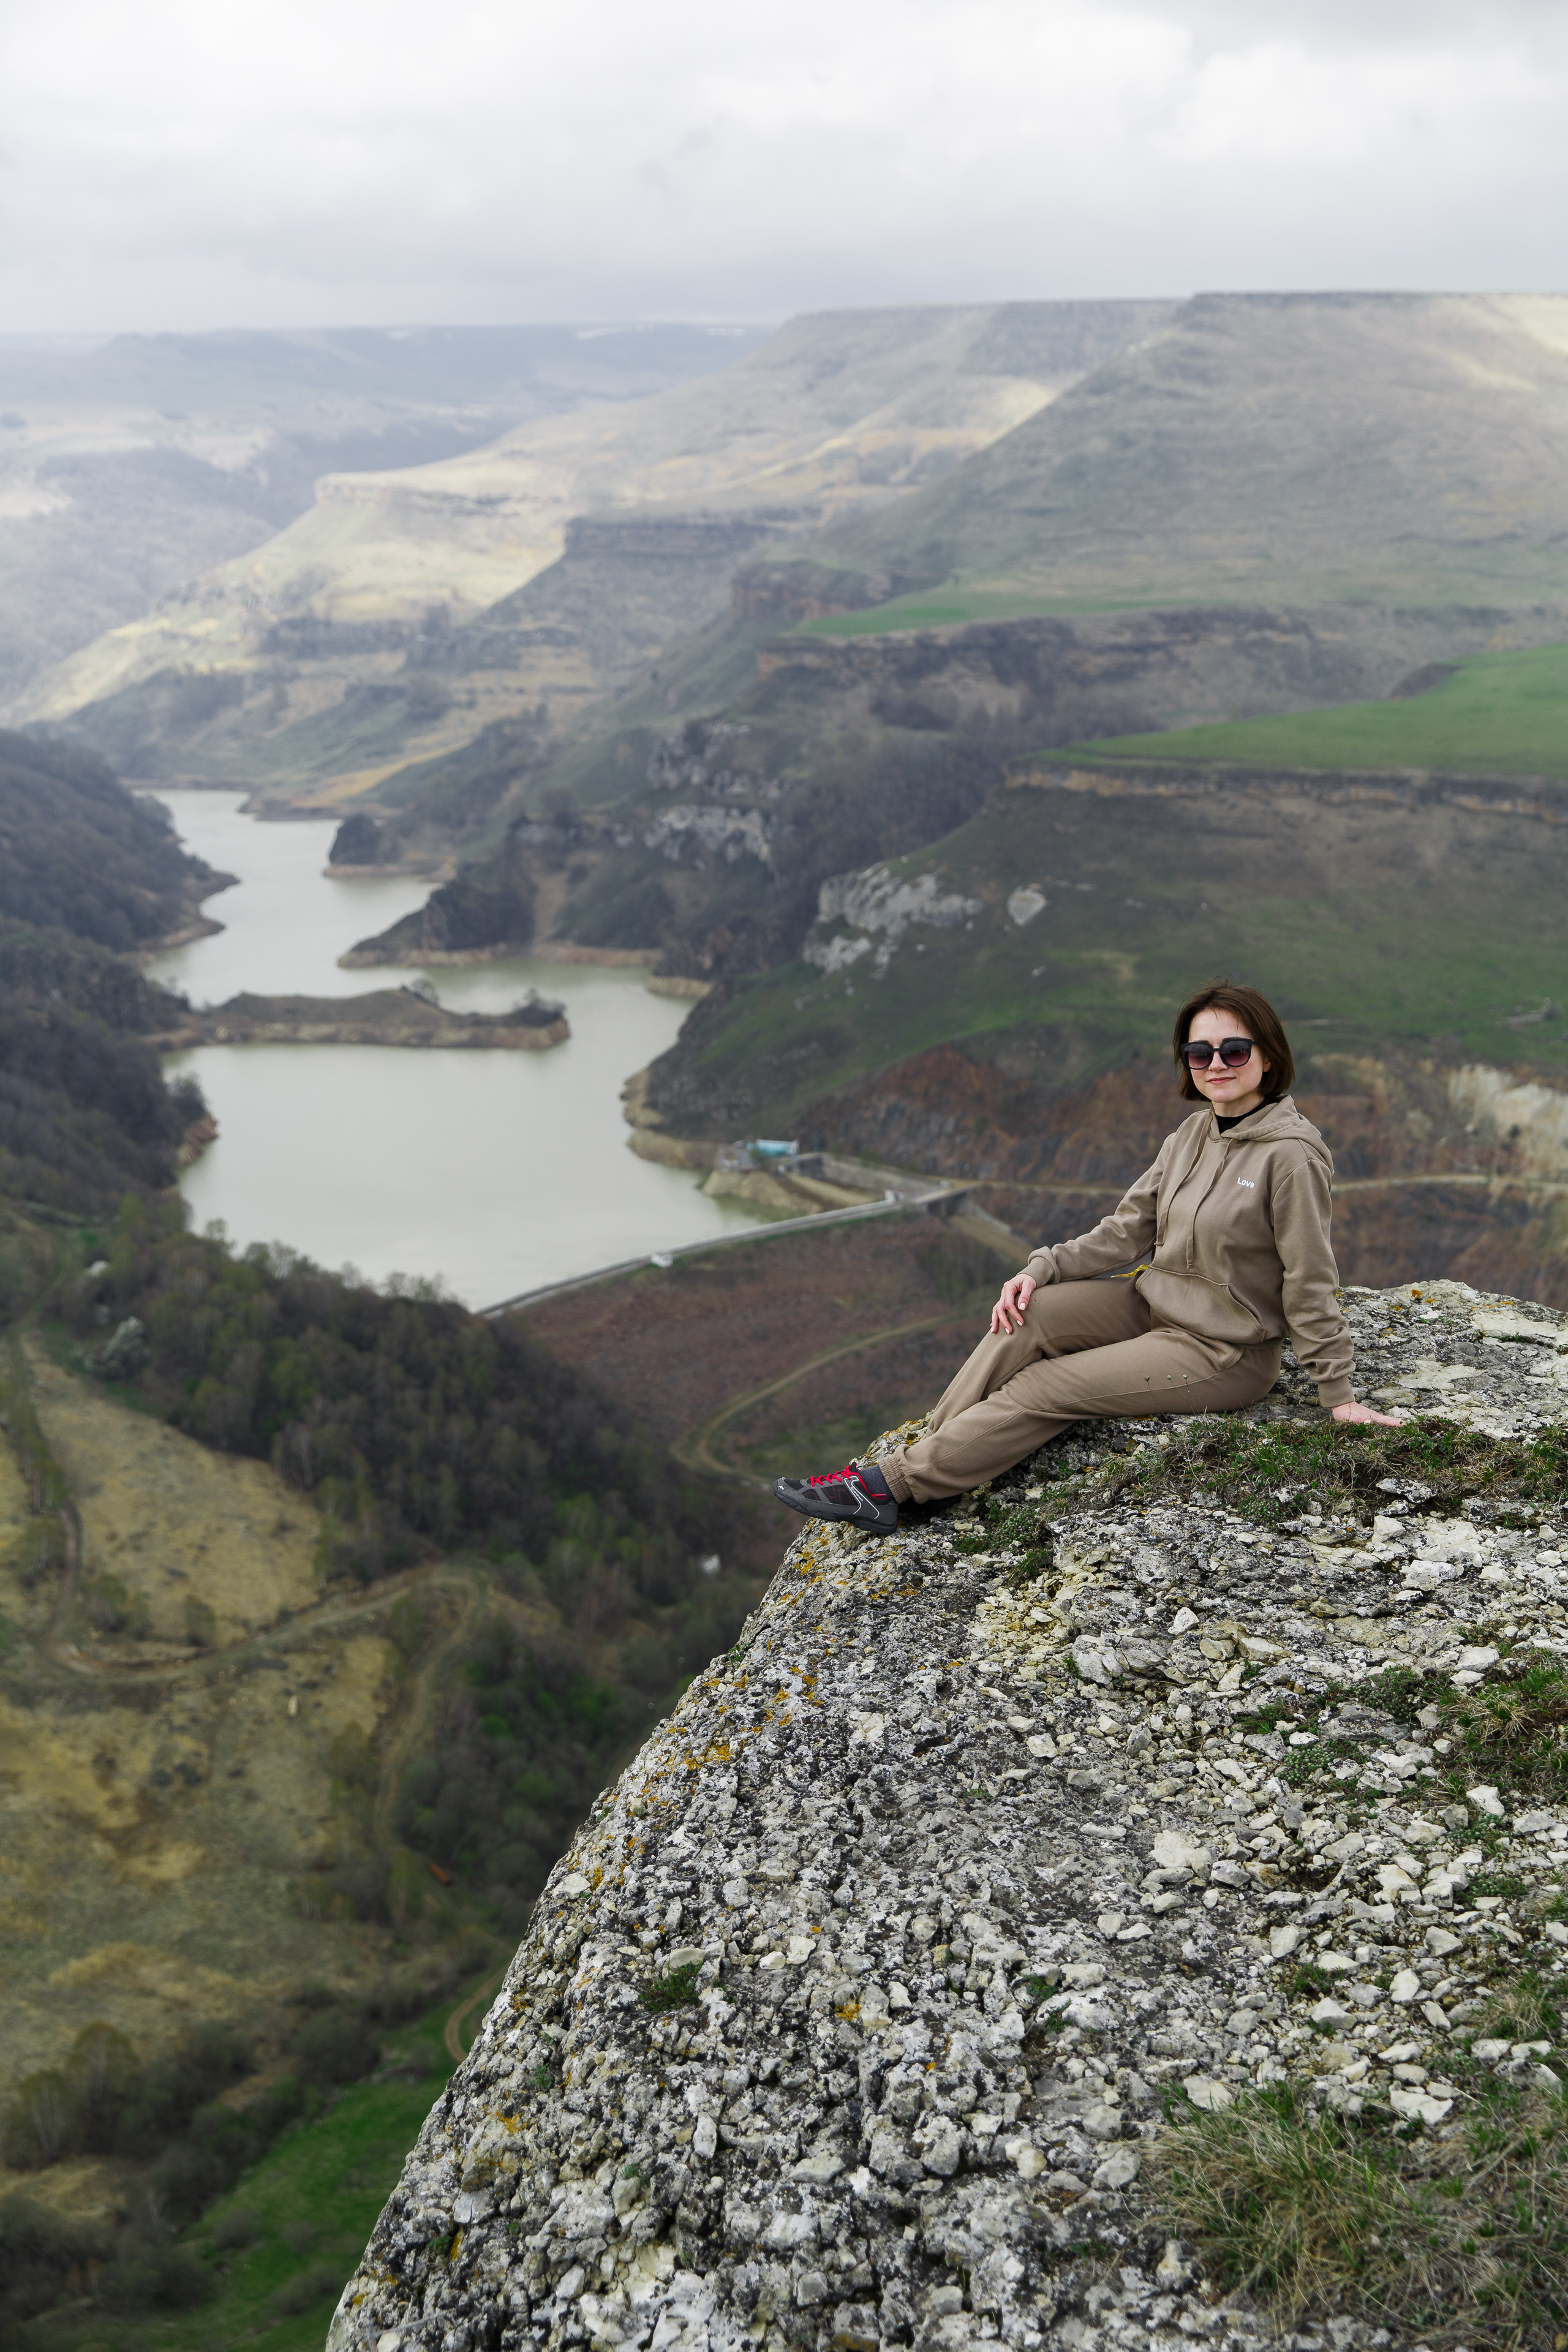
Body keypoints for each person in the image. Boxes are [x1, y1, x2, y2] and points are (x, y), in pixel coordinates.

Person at [774, 978, 1403, 1534]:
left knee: (1044, 1385)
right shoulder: (1190, 1134)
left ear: (1267, 1058)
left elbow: (1310, 1277)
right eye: (1198, 1052)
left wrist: (1338, 1394)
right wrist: (1035, 1269)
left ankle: (894, 1488)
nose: (1215, 1064)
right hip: (1150, 1306)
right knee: (1029, 1316)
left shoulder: (1290, 1155)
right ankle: (923, 1462)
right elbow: (1125, 1231)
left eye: (1233, 1050)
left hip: (1221, 1349)